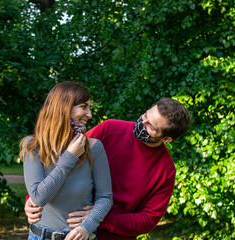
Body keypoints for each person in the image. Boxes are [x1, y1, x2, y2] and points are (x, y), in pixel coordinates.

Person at [25, 96, 191, 240]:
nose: (143, 122)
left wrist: (99, 219)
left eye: (151, 127)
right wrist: (33, 198)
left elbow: (148, 220)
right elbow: (66, 159)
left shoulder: (166, 170)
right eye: (146, 115)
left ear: (167, 139)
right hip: (68, 229)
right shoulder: (109, 129)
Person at [20, 81, 113, 240]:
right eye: (84, 107)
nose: (89, 114)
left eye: (89, 108)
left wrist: (87, 226)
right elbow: (39, 197)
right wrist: (70, 157)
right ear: (64, 107)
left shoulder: (94, 147)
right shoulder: (32, 145)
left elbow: (105, 197)